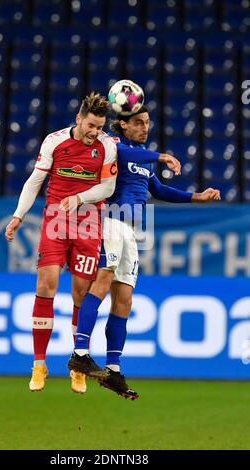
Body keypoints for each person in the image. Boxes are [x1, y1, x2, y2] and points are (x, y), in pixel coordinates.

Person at [68, 105, 221, 399]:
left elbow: (160, 190)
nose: (145, 128)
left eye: (148, 123)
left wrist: (196, 196)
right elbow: (127, 155)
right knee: (102, 282)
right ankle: (80, 352)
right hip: (110, 219)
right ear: (122, 125)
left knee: (124, 299)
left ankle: (113, 370)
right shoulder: (114, 146)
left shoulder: (144, 159)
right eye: (138, 123)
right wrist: (159, 155)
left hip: (131, 231)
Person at [5, 92, 120, 392]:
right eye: (91, 125)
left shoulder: (106, 146)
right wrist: (18, 215)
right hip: (56, 221)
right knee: (46, 285)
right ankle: (39, 364)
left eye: (100, 127)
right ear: (79, 119)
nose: (95, 132)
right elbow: (35, 181)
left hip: (88, 225)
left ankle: (77, 363)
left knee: (81, 295)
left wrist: (80, 197)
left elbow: (108, 187)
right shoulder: (54, 141)